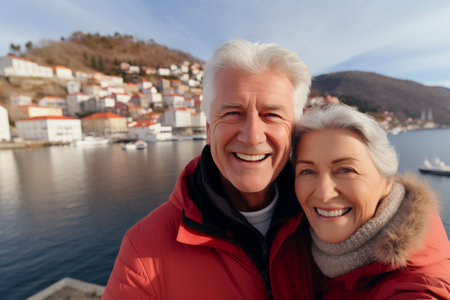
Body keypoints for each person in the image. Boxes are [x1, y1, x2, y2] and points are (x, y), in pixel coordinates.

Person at [102, 39, 322, 299]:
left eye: (272, 115)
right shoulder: (143, 251)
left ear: (294, 129)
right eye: (232, 113)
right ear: (208, 130)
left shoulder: (326, 221)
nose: (252, 136)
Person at [292, 103, 450, 299]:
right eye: (307, 171)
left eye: (346, 170)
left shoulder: (416, 289)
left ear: (386, 182)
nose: (324, 194)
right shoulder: (309, 256)